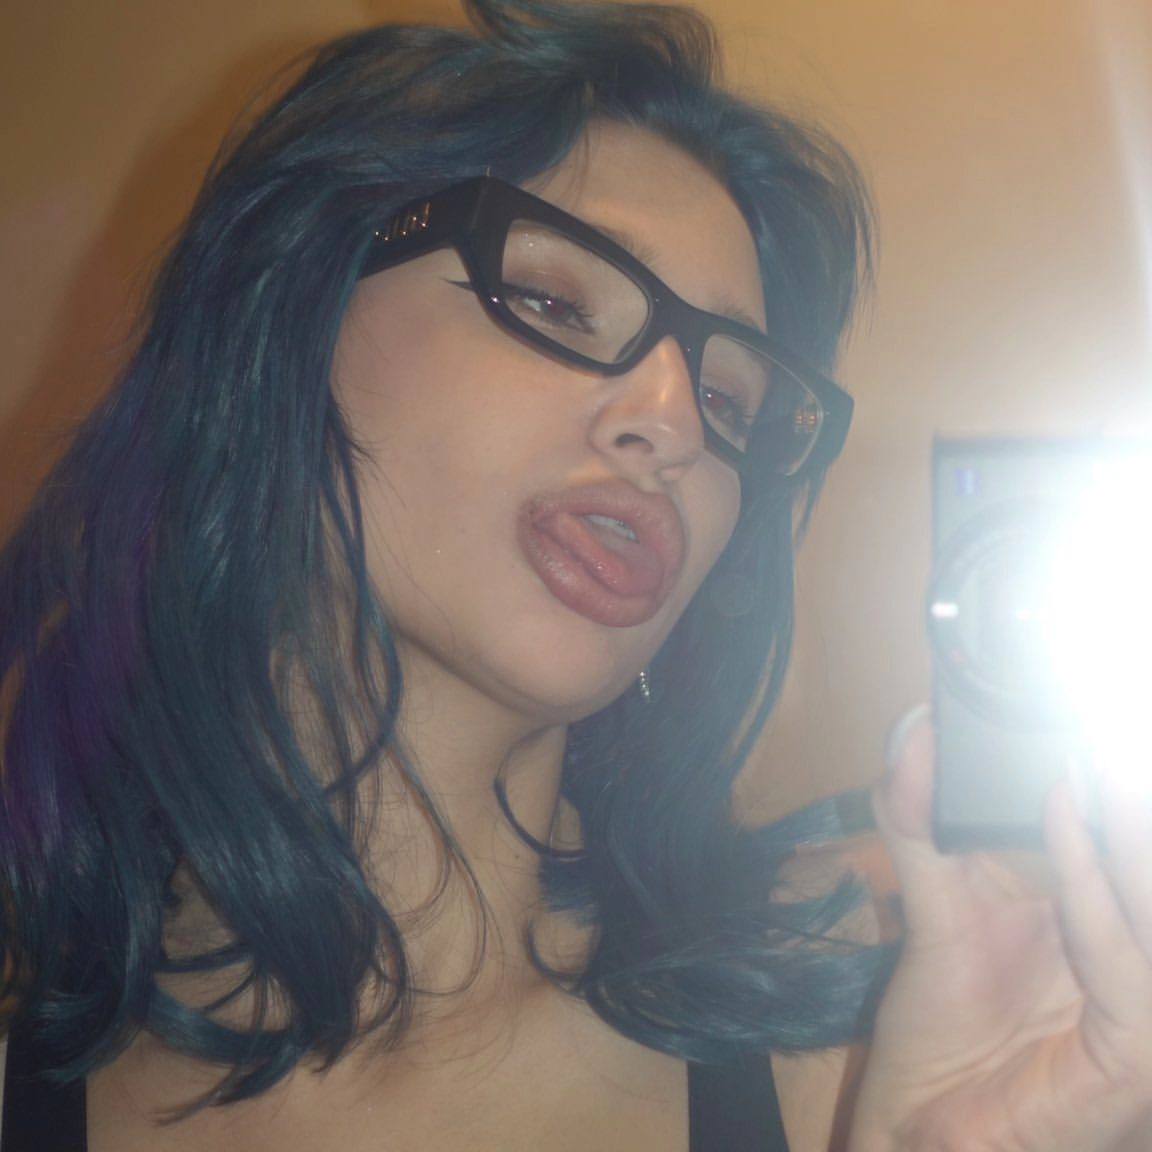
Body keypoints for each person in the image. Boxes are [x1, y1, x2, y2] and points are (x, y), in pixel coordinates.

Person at [1, 1, 1150, 1149]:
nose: (675, 424)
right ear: (289, 323)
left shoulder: (867, 1047)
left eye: (729, 398)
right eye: (555, 300)